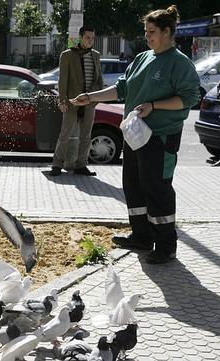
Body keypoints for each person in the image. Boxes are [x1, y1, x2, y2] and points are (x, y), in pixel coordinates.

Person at [70, 5, 200, 264]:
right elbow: (122, 89)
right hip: (135, 134)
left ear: (166, 31)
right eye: (146, 31)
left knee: (157, 189)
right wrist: (90, 98)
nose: (147, 36)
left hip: (160, 136)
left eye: (151, 32)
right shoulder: (143, 58)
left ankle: (165, 246)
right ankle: (141, 236)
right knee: (133, 185)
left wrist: (154, 106)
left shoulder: (179, 63)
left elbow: (188, 99)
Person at [50, 25, 103, 177]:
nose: (90, 41)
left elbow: (99, 79)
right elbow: (62, 81)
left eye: (92, 38)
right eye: (87, 38)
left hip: (89, 102)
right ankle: (56, 164)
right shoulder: (68, 55)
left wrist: (96, 99)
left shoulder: (96, 55)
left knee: (86, 135)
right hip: (72, 102)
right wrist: (62, 100)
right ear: (80, 37)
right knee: (65, 134)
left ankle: (81, 165)